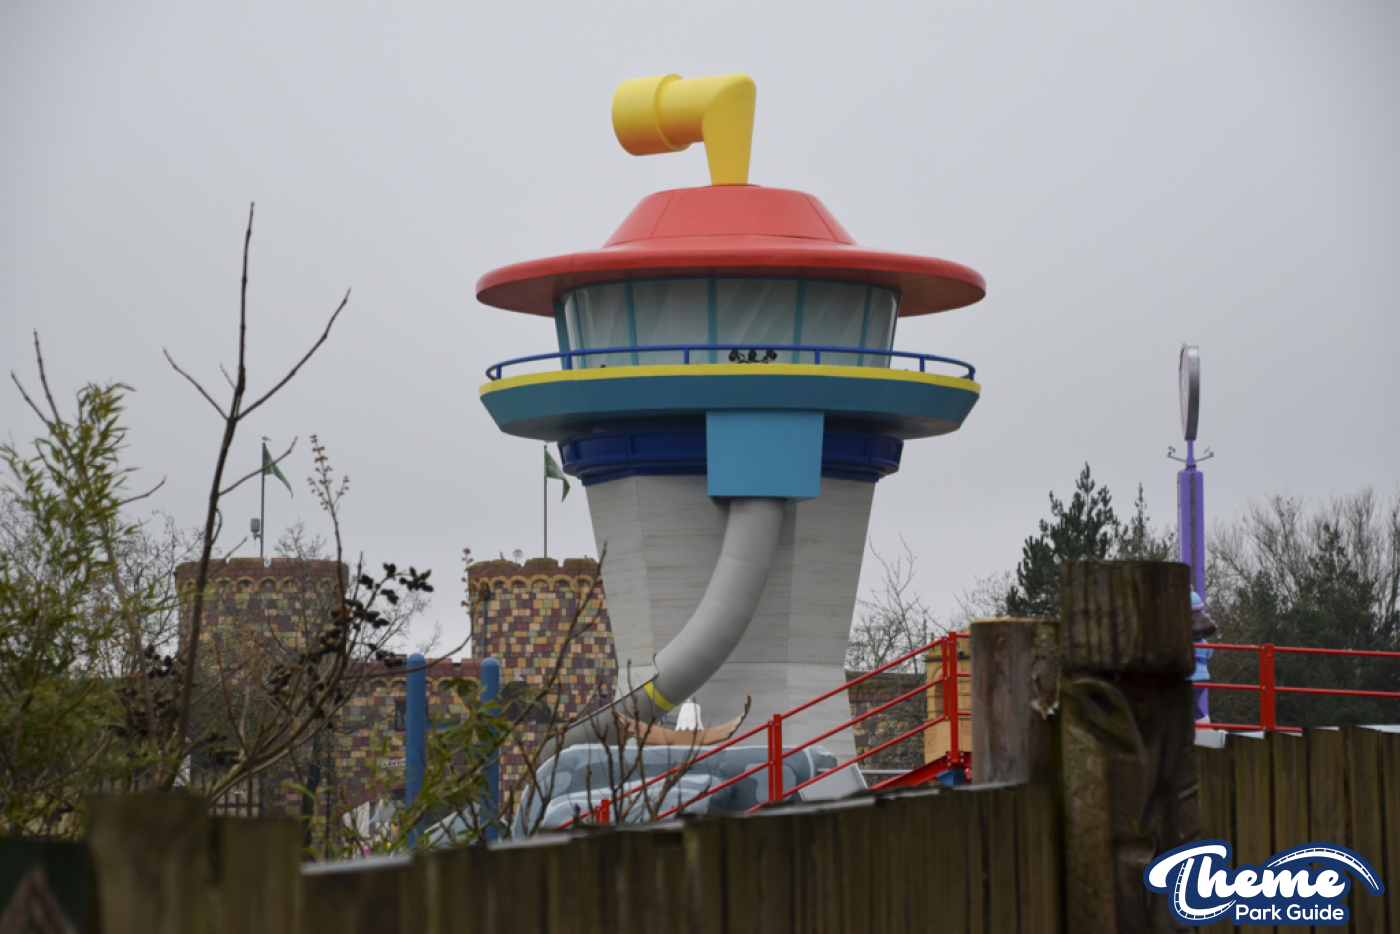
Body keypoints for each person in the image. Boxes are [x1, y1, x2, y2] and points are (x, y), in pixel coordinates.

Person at [1190, 591, 1217, 723]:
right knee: (1192, 702)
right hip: (1203, 678)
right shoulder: (1205, 643)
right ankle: (1201, 723)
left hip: (1190, 677)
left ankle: (1203, 724)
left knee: (1190, 703)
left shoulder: (1186, 643)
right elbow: (1209, 654)